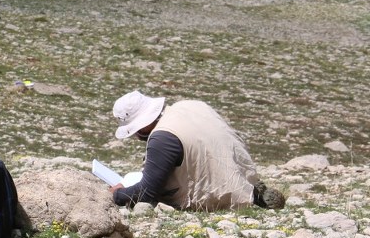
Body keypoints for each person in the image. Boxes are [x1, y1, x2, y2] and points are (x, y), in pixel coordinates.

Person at [109, 90, 285, 211]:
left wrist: (117, 194)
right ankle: (252, 190)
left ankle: (246, 199)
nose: (137, 136)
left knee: (153, 189)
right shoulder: (188, 106)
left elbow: (147, 193)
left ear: (143, 123)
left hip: (220, 194)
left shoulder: (161, 139)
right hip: (239, 176)